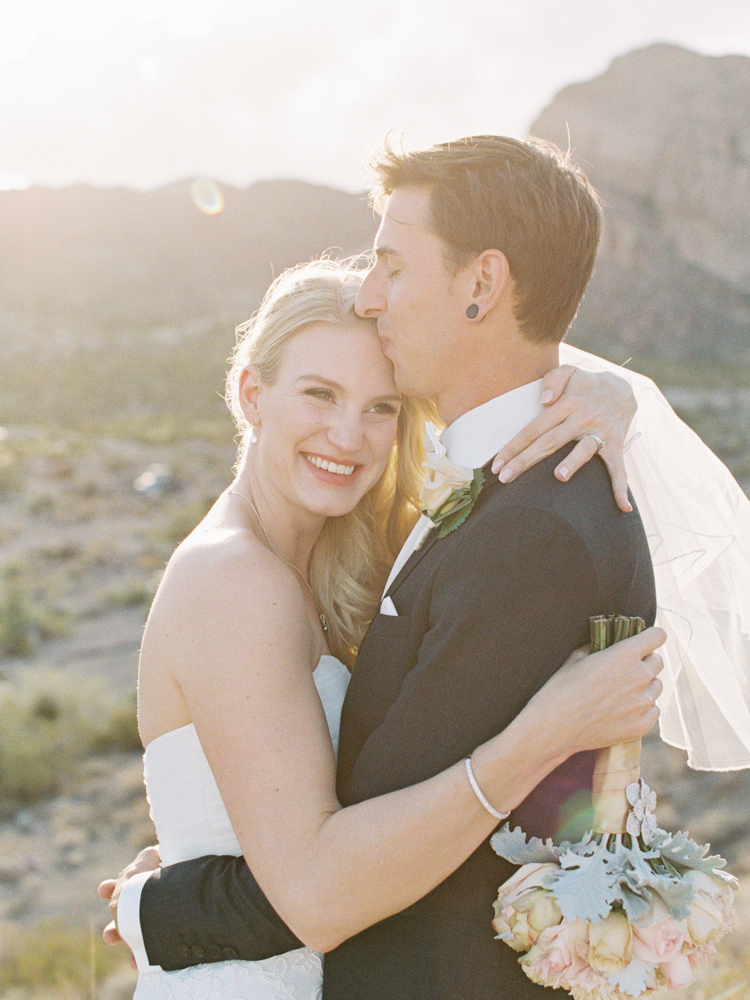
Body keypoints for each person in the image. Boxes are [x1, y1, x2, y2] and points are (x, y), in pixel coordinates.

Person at [102, 137, 668, 999]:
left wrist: (610, 396)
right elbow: (321, 885)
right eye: (318, 396)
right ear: (253, 396)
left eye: (379, 408)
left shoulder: (377, 547)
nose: (348, 436)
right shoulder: (234, 581)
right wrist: (161, 906)